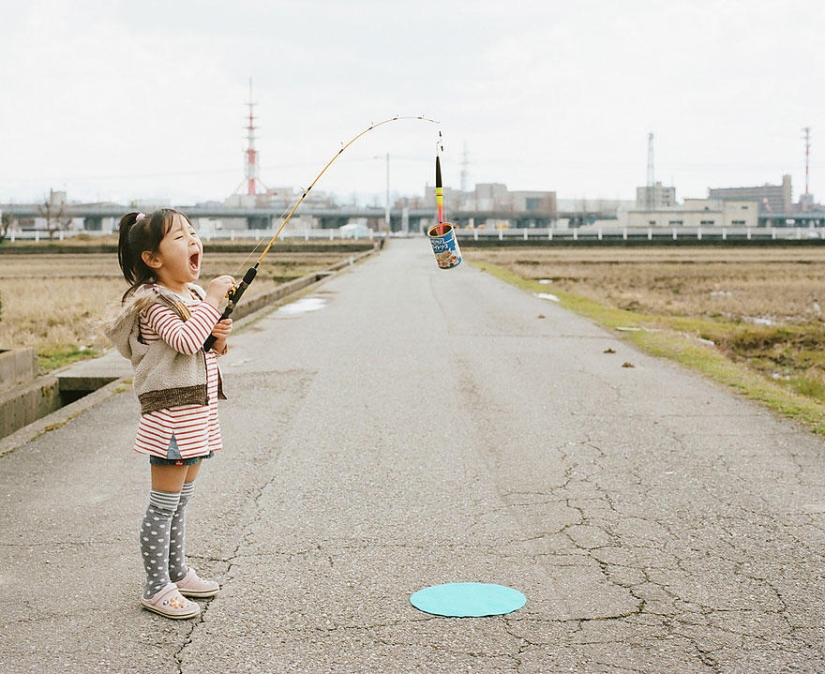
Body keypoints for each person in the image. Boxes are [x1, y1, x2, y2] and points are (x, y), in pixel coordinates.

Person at [106, 208, 235, 619]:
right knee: (163, 505)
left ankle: (176, 572)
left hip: (198, 412)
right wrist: (213, 301)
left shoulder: (191, 297)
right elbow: (182, 341)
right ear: (153, 259)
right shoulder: (153, 302)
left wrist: (218, 340)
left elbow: (201, 348)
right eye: (180, 238)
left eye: (193, 233)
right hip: (172, 418)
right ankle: (155, 585)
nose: (193, 241)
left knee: (181, 501)